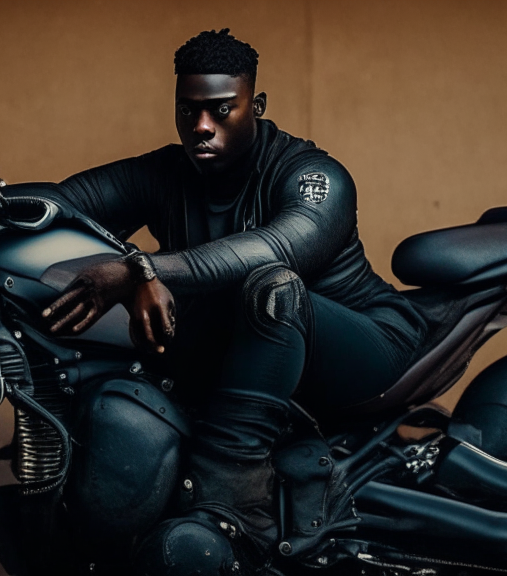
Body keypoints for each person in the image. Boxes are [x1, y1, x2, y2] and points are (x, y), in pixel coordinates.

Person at [39, 29, 427, 574]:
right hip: (259, 355)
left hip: (367, 343)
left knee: (271, 287)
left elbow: (274, 248)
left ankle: (233, 503)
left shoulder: (314, 177)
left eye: (221, 110)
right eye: (188, 110)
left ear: (256, 106)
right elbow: (59, 204)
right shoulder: (168, 172)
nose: (201, 127)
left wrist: (140, 266)